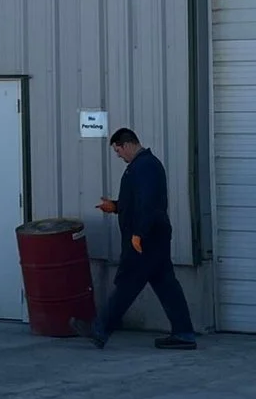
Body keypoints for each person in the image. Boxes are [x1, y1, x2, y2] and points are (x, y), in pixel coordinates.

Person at [73, 127, 198, 350]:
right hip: (154, 236)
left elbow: (148, 203)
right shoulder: (142, 166)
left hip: (145, 239)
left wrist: (138, 234)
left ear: (128, 144)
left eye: (118, 150)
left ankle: (100, 329)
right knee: (166, 285)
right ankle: (184, 333)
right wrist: (115, 207)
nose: (119, 155)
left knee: (127, 284)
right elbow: (137, 202)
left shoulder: (145, 166)